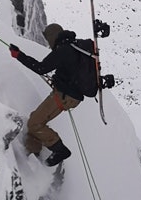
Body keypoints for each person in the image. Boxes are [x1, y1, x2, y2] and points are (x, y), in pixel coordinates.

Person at [9, 23, 98, 166]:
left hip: (64, 96)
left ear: (52, 37)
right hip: (70, 97)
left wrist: (19, 55)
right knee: (37, 119)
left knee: (35, 123)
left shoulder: (63, 50)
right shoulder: (77, 47)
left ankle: (60, 150)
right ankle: (32, 150)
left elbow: (41, 68)